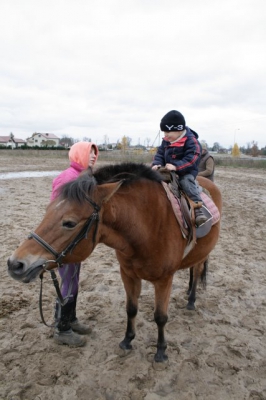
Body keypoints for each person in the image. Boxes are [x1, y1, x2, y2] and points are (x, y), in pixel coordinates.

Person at [50, 141, 99, 346]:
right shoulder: (68, 177)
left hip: (75, 240)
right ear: (79, 154)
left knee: (73, 280)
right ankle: (62, 329)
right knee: (68, 282)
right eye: (90, 153)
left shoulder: (84, 177)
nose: (94, 157)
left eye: (96, 154)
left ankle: (70, 319)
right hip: (65, 240)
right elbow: (57, 211)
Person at [151, 110, 208, 227]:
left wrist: (177, 166)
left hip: (185, 171)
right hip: (167, 170)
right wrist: (156, 164)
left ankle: (197, 209)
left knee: (186, 182)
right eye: (164, 132)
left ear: (178, 129)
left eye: (167, 131)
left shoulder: (191, 141)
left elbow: (192, 159)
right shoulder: (166, 141)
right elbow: (160, 154)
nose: (165, 135)